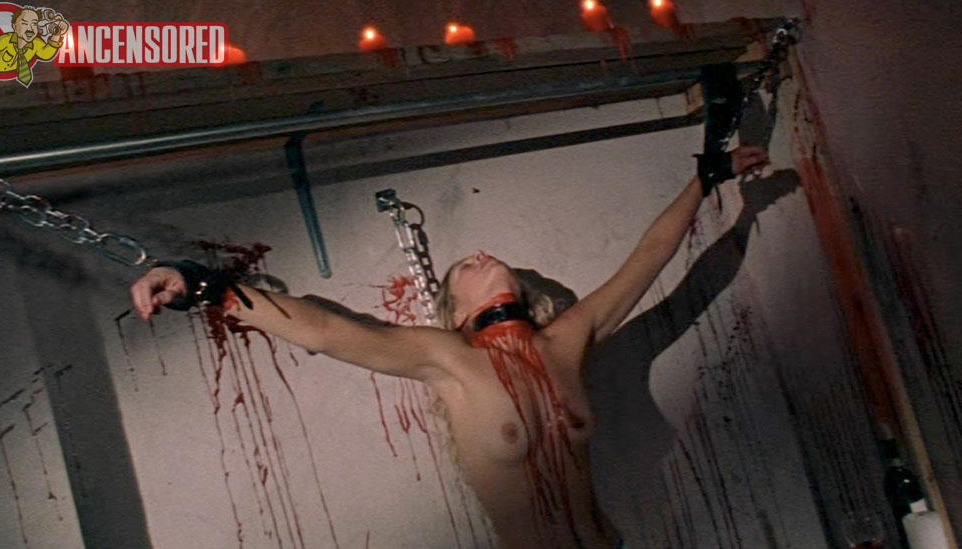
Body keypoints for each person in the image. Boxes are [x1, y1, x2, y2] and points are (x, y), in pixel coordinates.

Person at [130, 145, 769, 549]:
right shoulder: (450, 359)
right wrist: (203, 285)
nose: (480, 255)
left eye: (483, 256)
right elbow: (323, 331)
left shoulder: (566, 341)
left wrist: (706, 178)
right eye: (464, 265)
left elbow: (650, 259)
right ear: (456, 312)